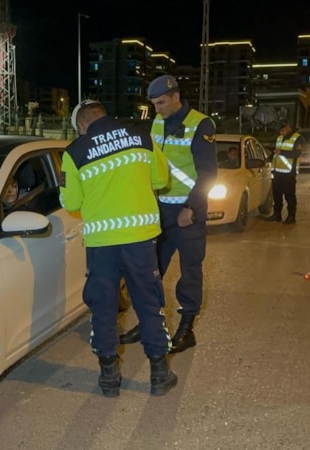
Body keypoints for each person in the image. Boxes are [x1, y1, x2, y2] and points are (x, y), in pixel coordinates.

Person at [60, 99, 176, 397]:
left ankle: (109, 379)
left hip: (102, 246)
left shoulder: (75, 152)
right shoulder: (142, 137)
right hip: (141, 240)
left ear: (82, 125)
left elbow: (71, 202)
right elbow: (161, 180)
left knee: (103, 307)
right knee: (148, 303)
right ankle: (159, 375)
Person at [120, 74, 217, 354]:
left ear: (176, 97)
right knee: (151, 271)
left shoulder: (200, 124)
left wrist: (191, 207)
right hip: (159, 211)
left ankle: (186, 330)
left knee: (190, 272)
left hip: (187, 214)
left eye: (161, 102)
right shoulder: (158, 122)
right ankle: (148, 323)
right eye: (154, 104)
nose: (157, 108)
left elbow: (208, 173)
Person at [265, 121, 303, 224]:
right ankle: (277, 215)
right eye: (279, 131)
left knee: (289, 196)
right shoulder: (279, 138)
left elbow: (296, 153)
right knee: (277, 195)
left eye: (282, 130)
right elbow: (276, 152)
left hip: (289, 173)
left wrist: (281, 152)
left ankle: (291, 217)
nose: (280, 132)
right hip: (277, 172)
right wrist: (269, 159)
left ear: (288, 127)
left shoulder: (297, 138)